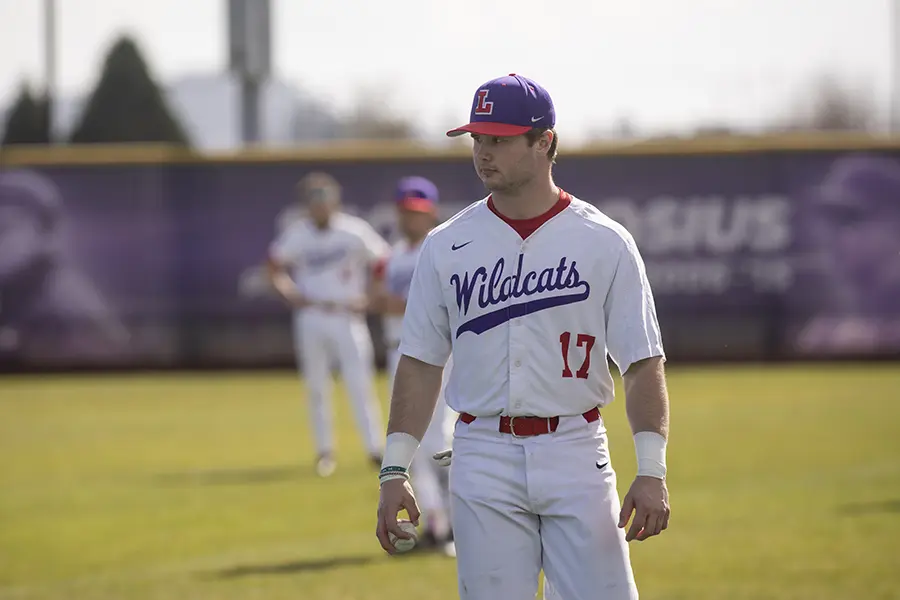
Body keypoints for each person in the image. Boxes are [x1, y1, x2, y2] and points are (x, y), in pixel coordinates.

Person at [374, 74, 671, 600]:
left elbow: (643, 361)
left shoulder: (603, 240)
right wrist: (394, 467)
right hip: (482, 451)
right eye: (478, 139)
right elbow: (420, 363)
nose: (484, 153)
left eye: (501, 139)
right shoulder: (447, 245)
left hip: (576, 449)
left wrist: (652, 470)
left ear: (545, 142)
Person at [268, 171, 390, 477]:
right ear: (306, 204)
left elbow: (382, 261)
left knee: (359, 384)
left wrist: (369, 297)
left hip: (346, 314)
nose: (320, 205)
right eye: (314, 199)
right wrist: (291, 294)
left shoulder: (353, 231)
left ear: (335, 200)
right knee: (317, 386)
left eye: (325, 198)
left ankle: (374, 449)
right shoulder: (298, 234)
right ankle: (325, 452)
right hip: (312, 315)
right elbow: (273, 265)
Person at [369, 176, 456, 556]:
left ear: (431, 213)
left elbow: (443, 304)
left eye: (417, 212)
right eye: (405, 211)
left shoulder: (442, 250)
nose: (410, 218)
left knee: (437, 441)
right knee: (409, 444)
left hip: (435, 353)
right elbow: (374, 298)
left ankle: (455, 523)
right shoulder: (390, 256)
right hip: (397, 350)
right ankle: (436, 524)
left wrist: (399, 303)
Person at [0, 169, 130, 367]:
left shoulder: (65, 297)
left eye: (6, 228)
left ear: (42, 234)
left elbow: (110, 355)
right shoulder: (11, 287)